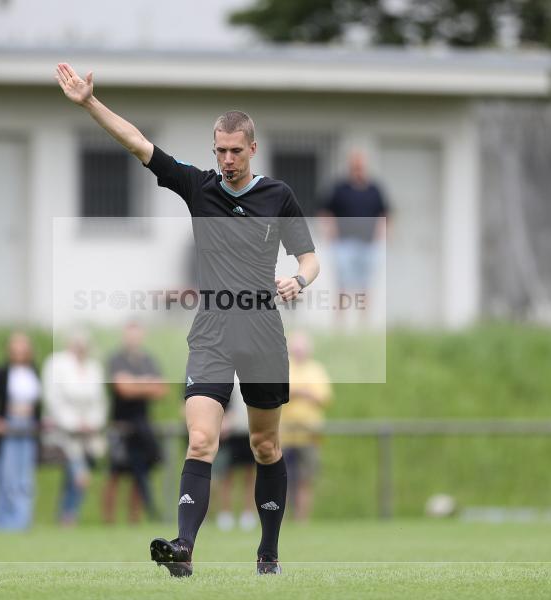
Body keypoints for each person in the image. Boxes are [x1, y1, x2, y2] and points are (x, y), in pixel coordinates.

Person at [55, 62, 320, 576]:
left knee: (266, 445)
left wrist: (299, 280)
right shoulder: (200, 188)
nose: (225, 159)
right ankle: (183, 548)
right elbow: (138, 143)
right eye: (219, 149)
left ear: (252, 149)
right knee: (201, 439)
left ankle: (268, 553)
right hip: (212, 333)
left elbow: (308, 257)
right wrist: (89, 103)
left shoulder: (278, 196)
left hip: (263, 333)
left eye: (234, 151)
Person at [41, 330, 108, 526]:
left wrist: (91, 423)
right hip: (60, 431)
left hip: (87, 434)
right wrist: (73, 423)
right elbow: (53, 399)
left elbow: (100, 401)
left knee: (74, 477)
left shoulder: (93, 367)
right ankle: (68, 516)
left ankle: (67, 515)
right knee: (80, 475)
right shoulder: (55, 364)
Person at [102, 321, 166, 524]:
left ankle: (135, 519)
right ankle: (108, 520)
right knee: (114, 473)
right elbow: (123, 389)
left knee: (141, 472)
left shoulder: (148, 360)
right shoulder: (116, 359)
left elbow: (161, 389)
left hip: (143, 426)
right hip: (120, 425)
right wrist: (146, 384)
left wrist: (134, 383)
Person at [0, 332, 42, 530]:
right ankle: (3, 521)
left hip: (28, 429)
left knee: (25, 476)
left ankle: (22, 520)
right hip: (9, 428)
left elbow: (38, 405)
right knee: (6, 476)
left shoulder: (33, 372)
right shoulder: (2, 373)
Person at [319, 151, 389, 321]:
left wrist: (384, 235)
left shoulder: (374, 189)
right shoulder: (339, 189)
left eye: (361, 167)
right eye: (355, 167)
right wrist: (329, 232)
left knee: (365, 285)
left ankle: (363, 322)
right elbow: (325, 212)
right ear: (350, 167)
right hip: (344, 245)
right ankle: (340, 322)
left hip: (368, 245)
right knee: (342, 284)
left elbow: (385, 213)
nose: (358, 170)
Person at [280, 331, 333, 521]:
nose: (299, 352)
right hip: (284, 434)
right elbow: (280, 394)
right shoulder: (283, 368)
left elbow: (323, 397)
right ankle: (281, 520)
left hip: (309, 435)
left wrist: (297, 392)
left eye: (302, 349)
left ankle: (302, 519)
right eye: (296, 349)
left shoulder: (316, 369)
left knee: (305, 479)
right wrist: (303, 392)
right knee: (281, 480)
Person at [213, 376, 257, 532]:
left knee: (250, 474)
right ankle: (225, 513)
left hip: (249, 430)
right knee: (226, 475)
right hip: (230, 433)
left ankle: (248, 513)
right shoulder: (227, 373)